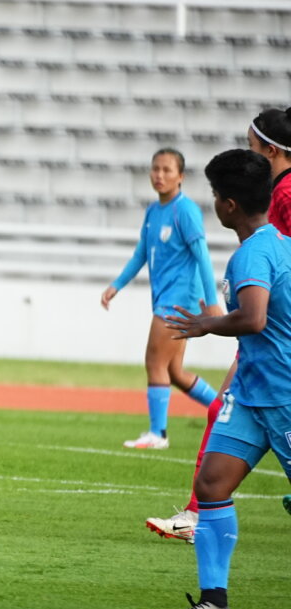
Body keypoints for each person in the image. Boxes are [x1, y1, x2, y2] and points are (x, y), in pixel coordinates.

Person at [159, 148, 291, 609]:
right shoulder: (276, 241)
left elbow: (254, 318)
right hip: (253, 398)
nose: (213, 202)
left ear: (229, 204)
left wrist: (207, 326)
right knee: (211, 485)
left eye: (216, 194)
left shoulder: (253, 253)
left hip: (283, 396)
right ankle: (214, 603)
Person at [101, 148, 221, 451]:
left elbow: (202, 257)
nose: (159, 175)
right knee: (174, 372)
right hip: (166, 298)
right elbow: (141, 253)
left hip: (179, 300)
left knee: (154, 361)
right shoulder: (154, 212)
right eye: (155, 169)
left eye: (167, 170)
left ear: (180, 176)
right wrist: (117, 284)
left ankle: (158, 433)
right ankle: (224, 412)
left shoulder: (186, 211)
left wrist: (212, 301)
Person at [247, 106, 291, 236]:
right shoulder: (280, 187)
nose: (249, 153)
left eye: (251, 145)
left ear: (271, 151)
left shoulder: (286, 192)